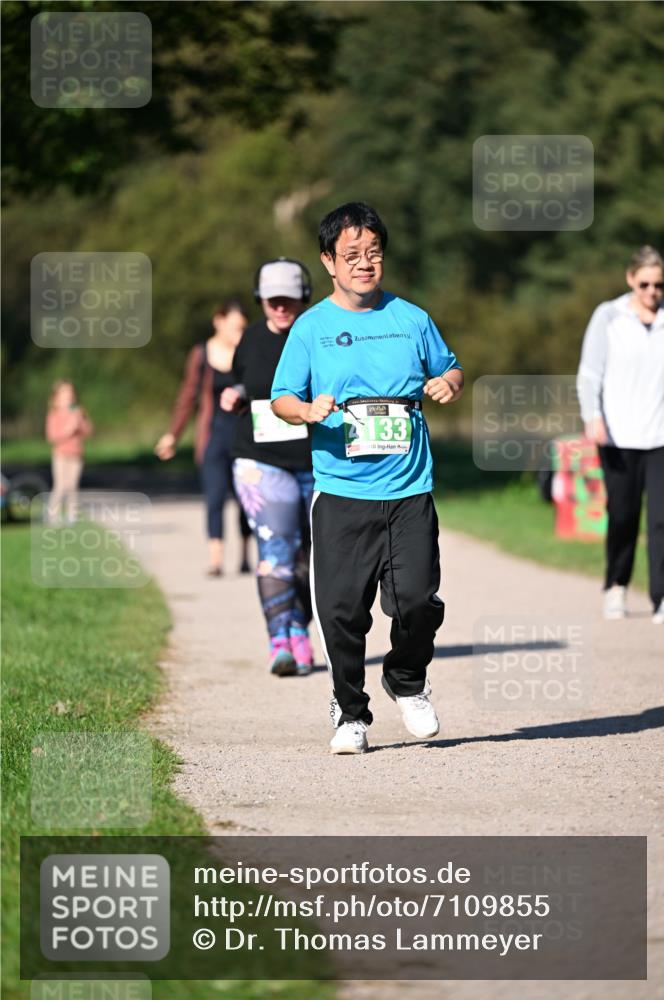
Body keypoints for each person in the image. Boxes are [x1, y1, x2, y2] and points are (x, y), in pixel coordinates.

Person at [271, 202, 464, 754]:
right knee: (340, 611)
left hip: (408, 488)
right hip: (341, 493)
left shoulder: (411, 318)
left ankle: (407, 680)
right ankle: (349, 711)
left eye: (373, 254)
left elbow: (449, 366)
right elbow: (283, 397)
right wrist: (306, 411)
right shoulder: (312, 328)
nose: (364, 264)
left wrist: (450, 382)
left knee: (418, 602)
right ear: (329, 261)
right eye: (351, 255)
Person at [221, 259, 316, 676]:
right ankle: (281, 638)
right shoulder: (251, 339)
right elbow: (247, 380)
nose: (281, 307)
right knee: (276, 548)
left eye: (289, 299)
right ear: (261, 300)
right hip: (260, 460)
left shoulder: (319, 334)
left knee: (310, 555)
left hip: (317, 460)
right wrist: (235, 394)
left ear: (303, 298)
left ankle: (301, 627)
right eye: (273, 300)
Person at [576, 245, 664, 625]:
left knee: (663, 518)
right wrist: (593, 417)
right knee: (624, 515)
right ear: (631, 279)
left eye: (659, 285)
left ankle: (662, 596)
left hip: (661, 434)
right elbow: (590, 373)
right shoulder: (608, 316)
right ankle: (616, 584)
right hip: (618, 434)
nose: (652, 292)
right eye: (645, 283)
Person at [155, 301, 253, 577]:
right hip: (213, 437)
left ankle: (246, 555)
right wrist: (172, 435)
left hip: (244, 437)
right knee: (215, 497)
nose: (240, 331)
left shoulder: (247, 353)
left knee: (247, 499)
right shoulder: (201, 354)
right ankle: (216, 559)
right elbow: (188, 397)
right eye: (235, 326)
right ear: (218, 321)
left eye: (243, 327)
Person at [46, 380, 93, 524]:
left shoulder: (78, 412)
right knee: (61, 485)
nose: (69, 396)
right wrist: (69, 429)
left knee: (73, 486)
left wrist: (81, 421)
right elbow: (52, 437)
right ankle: (52, 514)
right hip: (60, 455)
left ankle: (72, 515)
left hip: (76, 454)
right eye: (65, 393)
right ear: (56, 398)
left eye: (71, 393)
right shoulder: (54, 415)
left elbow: (89, 431)